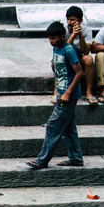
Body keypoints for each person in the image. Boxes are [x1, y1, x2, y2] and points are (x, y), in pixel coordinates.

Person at [26, 21, 84, 170]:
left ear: (62, 37)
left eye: (54, 38)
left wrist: (68, 93)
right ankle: (76, 158)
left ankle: (42, 160)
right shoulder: (57, 49)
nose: (51, 41)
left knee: (53, 125)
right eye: (49, 39)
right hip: (61, 92)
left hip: (68, 95)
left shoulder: (69, 51)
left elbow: (79, 73)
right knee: (68, 128)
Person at [52, 6, 96, 104]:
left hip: (79, 57)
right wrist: (72, 35)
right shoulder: (63, 30)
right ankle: (56, 91)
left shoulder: (87, 30)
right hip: (66, 57)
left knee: (89, 59)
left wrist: (80, 36)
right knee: (57, 61)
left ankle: (89, 92)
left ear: (80, 20)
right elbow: (62, 49)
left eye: (72, 20)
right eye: (68, 19)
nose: (69, 22)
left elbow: (86, 51)